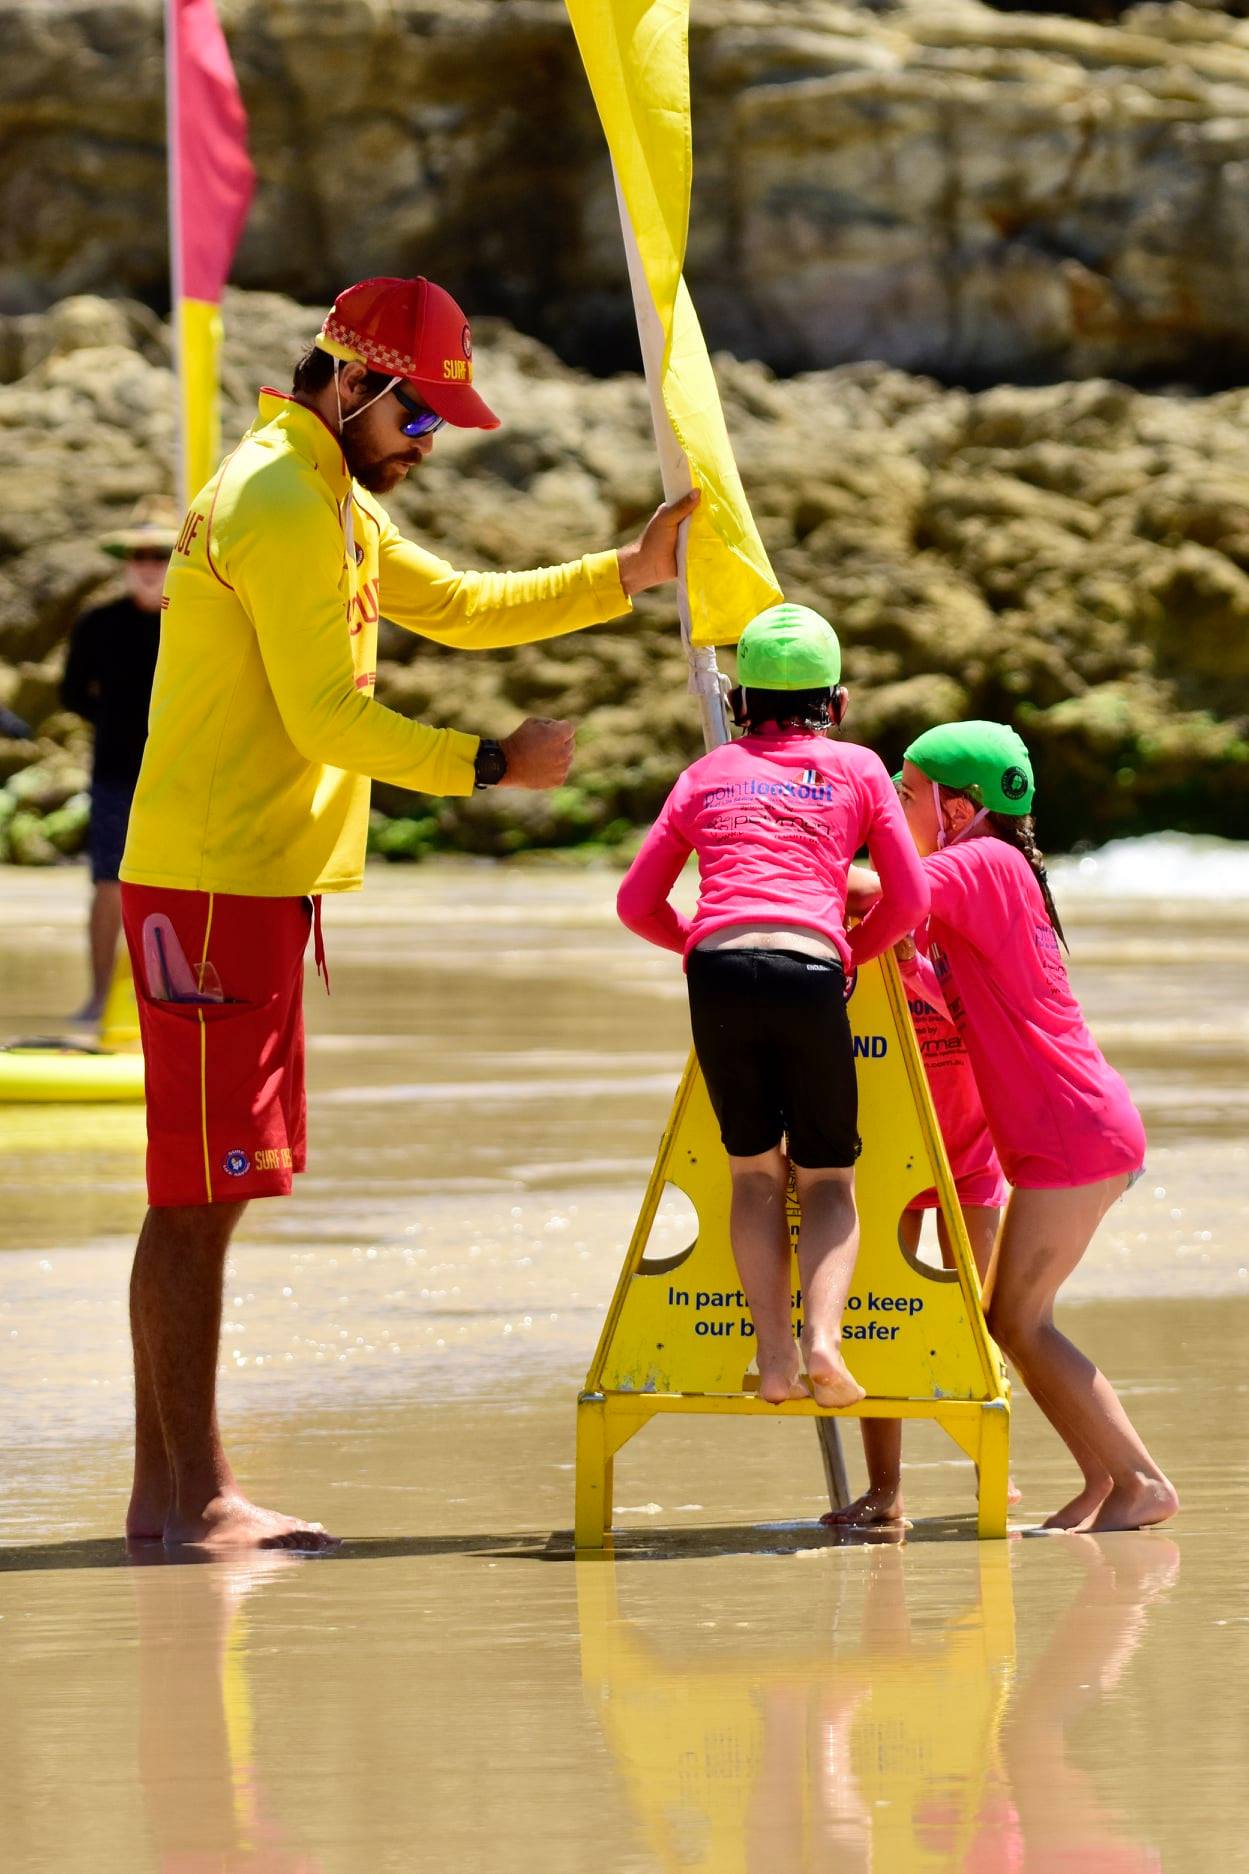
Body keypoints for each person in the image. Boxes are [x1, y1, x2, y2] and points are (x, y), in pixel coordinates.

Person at [118, 274, 698, 1551]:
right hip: (215, 884)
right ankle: (187, 1499)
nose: (427, 444)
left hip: (247, 881)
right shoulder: (277, 499)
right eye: (419, 419)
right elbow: (325, 718)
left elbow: (459, 603)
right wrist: (489, 765)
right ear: (355, 383)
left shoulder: (320, 489)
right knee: (196, 1195)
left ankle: (175, 1495)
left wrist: (631, 571)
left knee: (213, 1190)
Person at [616, 603, 928, 1409]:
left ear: (739, 705)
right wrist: (845, 956)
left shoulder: (702, 775)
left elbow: (636, 903)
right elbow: (909, 896)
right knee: (827, 1181)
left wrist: (700, 943)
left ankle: (776, 1362)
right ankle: (825, 1343)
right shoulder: (858, 768)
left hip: (717, 970)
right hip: (810, 968)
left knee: (753, 1179)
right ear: (839, 701)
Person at [889, 720, 1178, 1532]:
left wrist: (771, 870)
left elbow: (879, 893)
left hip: (1071, 1133)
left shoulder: (980, 862)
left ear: (956, 805)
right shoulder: (994, 865)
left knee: (1016, 1319)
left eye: (906, 793)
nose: (896, 807)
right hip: (1069, 1129)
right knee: (1012, 1318)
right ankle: (1104, 1483)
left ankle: (1142, 1483)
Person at [823, 909, 1009, 1527]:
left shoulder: (956, 942)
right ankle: (885, 1492)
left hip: (973, 1158)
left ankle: (993, 1473)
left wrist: (911, 959)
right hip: (891, 1158)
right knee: (879, 1316)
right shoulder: (855, 961)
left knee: (981, 1322)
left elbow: (983, 1019)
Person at [61, 498, 177, 1021]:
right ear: (127, 563)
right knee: (109, 885)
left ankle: (169, 1000)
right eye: (140, 556)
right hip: (115, 772)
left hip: (182, 771)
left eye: (160, 554)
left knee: (181, 887)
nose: (150, 565)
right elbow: (71, 694)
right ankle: (99, 997)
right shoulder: (98, 622)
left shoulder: (193, 618)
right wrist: (113, 720)